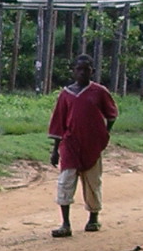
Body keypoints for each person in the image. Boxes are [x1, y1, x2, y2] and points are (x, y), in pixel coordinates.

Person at [47, 55, 118, 237]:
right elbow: (59, 122)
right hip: (70, 144)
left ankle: (93, 219)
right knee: (65, 182)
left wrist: (104, 134)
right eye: (79, 69)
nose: (82, 73)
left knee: (93, 182)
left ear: (92, 71)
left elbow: (111, 114)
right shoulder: (66, 94)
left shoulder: (99, 92)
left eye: (86, 69)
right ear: (73, 71)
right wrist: (55, 150)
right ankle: (65, 224)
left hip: (92, 145)